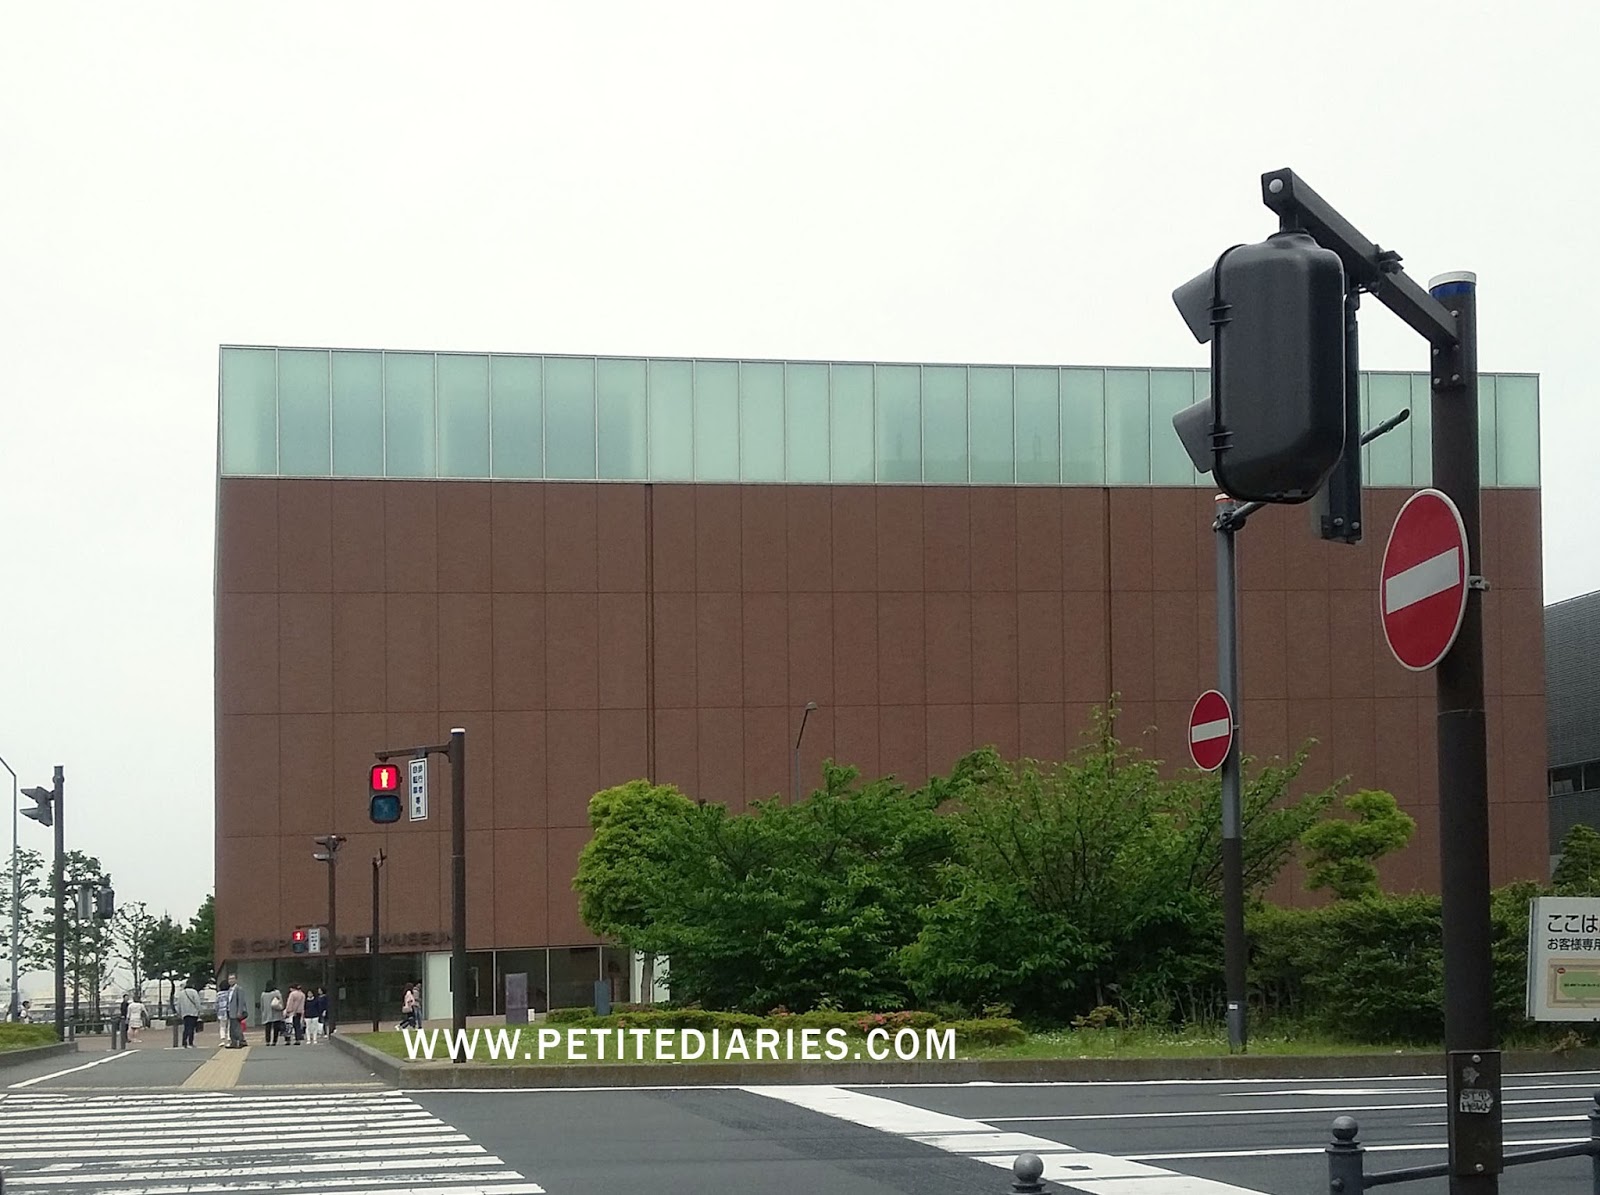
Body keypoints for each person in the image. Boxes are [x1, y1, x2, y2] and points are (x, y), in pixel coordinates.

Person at [176, 980, 203, 1048]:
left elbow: (178, 1004)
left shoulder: (181, 993)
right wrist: (200, 1011)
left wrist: (179, 1013)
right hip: (193, 1013)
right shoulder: (194, 992)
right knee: (191, 1028)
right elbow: (197, 1002)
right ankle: (190, 1042)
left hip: (185, 1013)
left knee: (186, 1027)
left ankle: (184, 1042)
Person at [224, 973, 247, 1048]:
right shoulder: (229, 990)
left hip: (236, 1012)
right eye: (229, 979)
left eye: (232, 978)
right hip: (230, 1011)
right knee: (232, 1028)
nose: (231, 980)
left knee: (237, 1028)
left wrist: (239, 1012)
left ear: (236, 979)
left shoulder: (239, 989)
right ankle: (233, 1042)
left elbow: (241, 1001)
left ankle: (241, 1041)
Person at [216, 980, 230, 1046]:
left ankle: (222, 1040)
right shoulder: (229, 993)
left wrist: (216, 1012)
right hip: (229, 1011)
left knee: (222, 1026)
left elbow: (216, 1004)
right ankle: (229, 1040)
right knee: (230, 1026)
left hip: (221, 1012)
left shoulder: (219, 994)